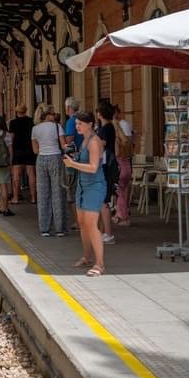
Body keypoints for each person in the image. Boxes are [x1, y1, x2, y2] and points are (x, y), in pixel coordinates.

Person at [63, 111, 106, 276]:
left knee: (91, 224)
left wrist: (73, 164)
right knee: (82, 223)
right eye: (76, 124)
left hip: (94, 186)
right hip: (83, 185)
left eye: (80, 123)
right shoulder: (84, 140)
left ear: (90, 124)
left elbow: (94, 167)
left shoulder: (94, 142)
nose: (77, 127)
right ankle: (87, 257)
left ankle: (100, 264)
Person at [32, 108, 67, 237]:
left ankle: (44, 228)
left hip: (41, 159)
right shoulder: (57, 127)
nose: (54, 115)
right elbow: (64, 145)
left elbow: (35, 150)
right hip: (56, 158)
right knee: (57, 193)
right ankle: (59, 228)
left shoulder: (35, 129)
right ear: (48, 115)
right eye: (52, 113)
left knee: (42, 194)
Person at [95, 102, 118, 245]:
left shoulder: (105, 128)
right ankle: (104, 233)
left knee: (103, 202)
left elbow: (101, 144)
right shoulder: (109, 127)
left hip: (105, 167)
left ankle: (108, 234)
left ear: (100, 114)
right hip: (107, 166)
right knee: (103, 201)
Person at [9, 103, 37, 204]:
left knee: (16, 175)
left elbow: (11, 139)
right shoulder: (31, 121)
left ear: (17, 112)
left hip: (17, 150)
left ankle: (15, 198)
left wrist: (10, 153)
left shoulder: (13, 123)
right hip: (30, 149)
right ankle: (33, 197)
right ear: (25, 111)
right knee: (31, 174)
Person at [113, 104, 135, 227]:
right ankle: (119, 214)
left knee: (120, 192)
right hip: (127, 164)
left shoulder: (119, 132)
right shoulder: (127, 129)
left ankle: (123, 217)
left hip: (120, 165)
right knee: (123, 190)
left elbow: (116, 152)